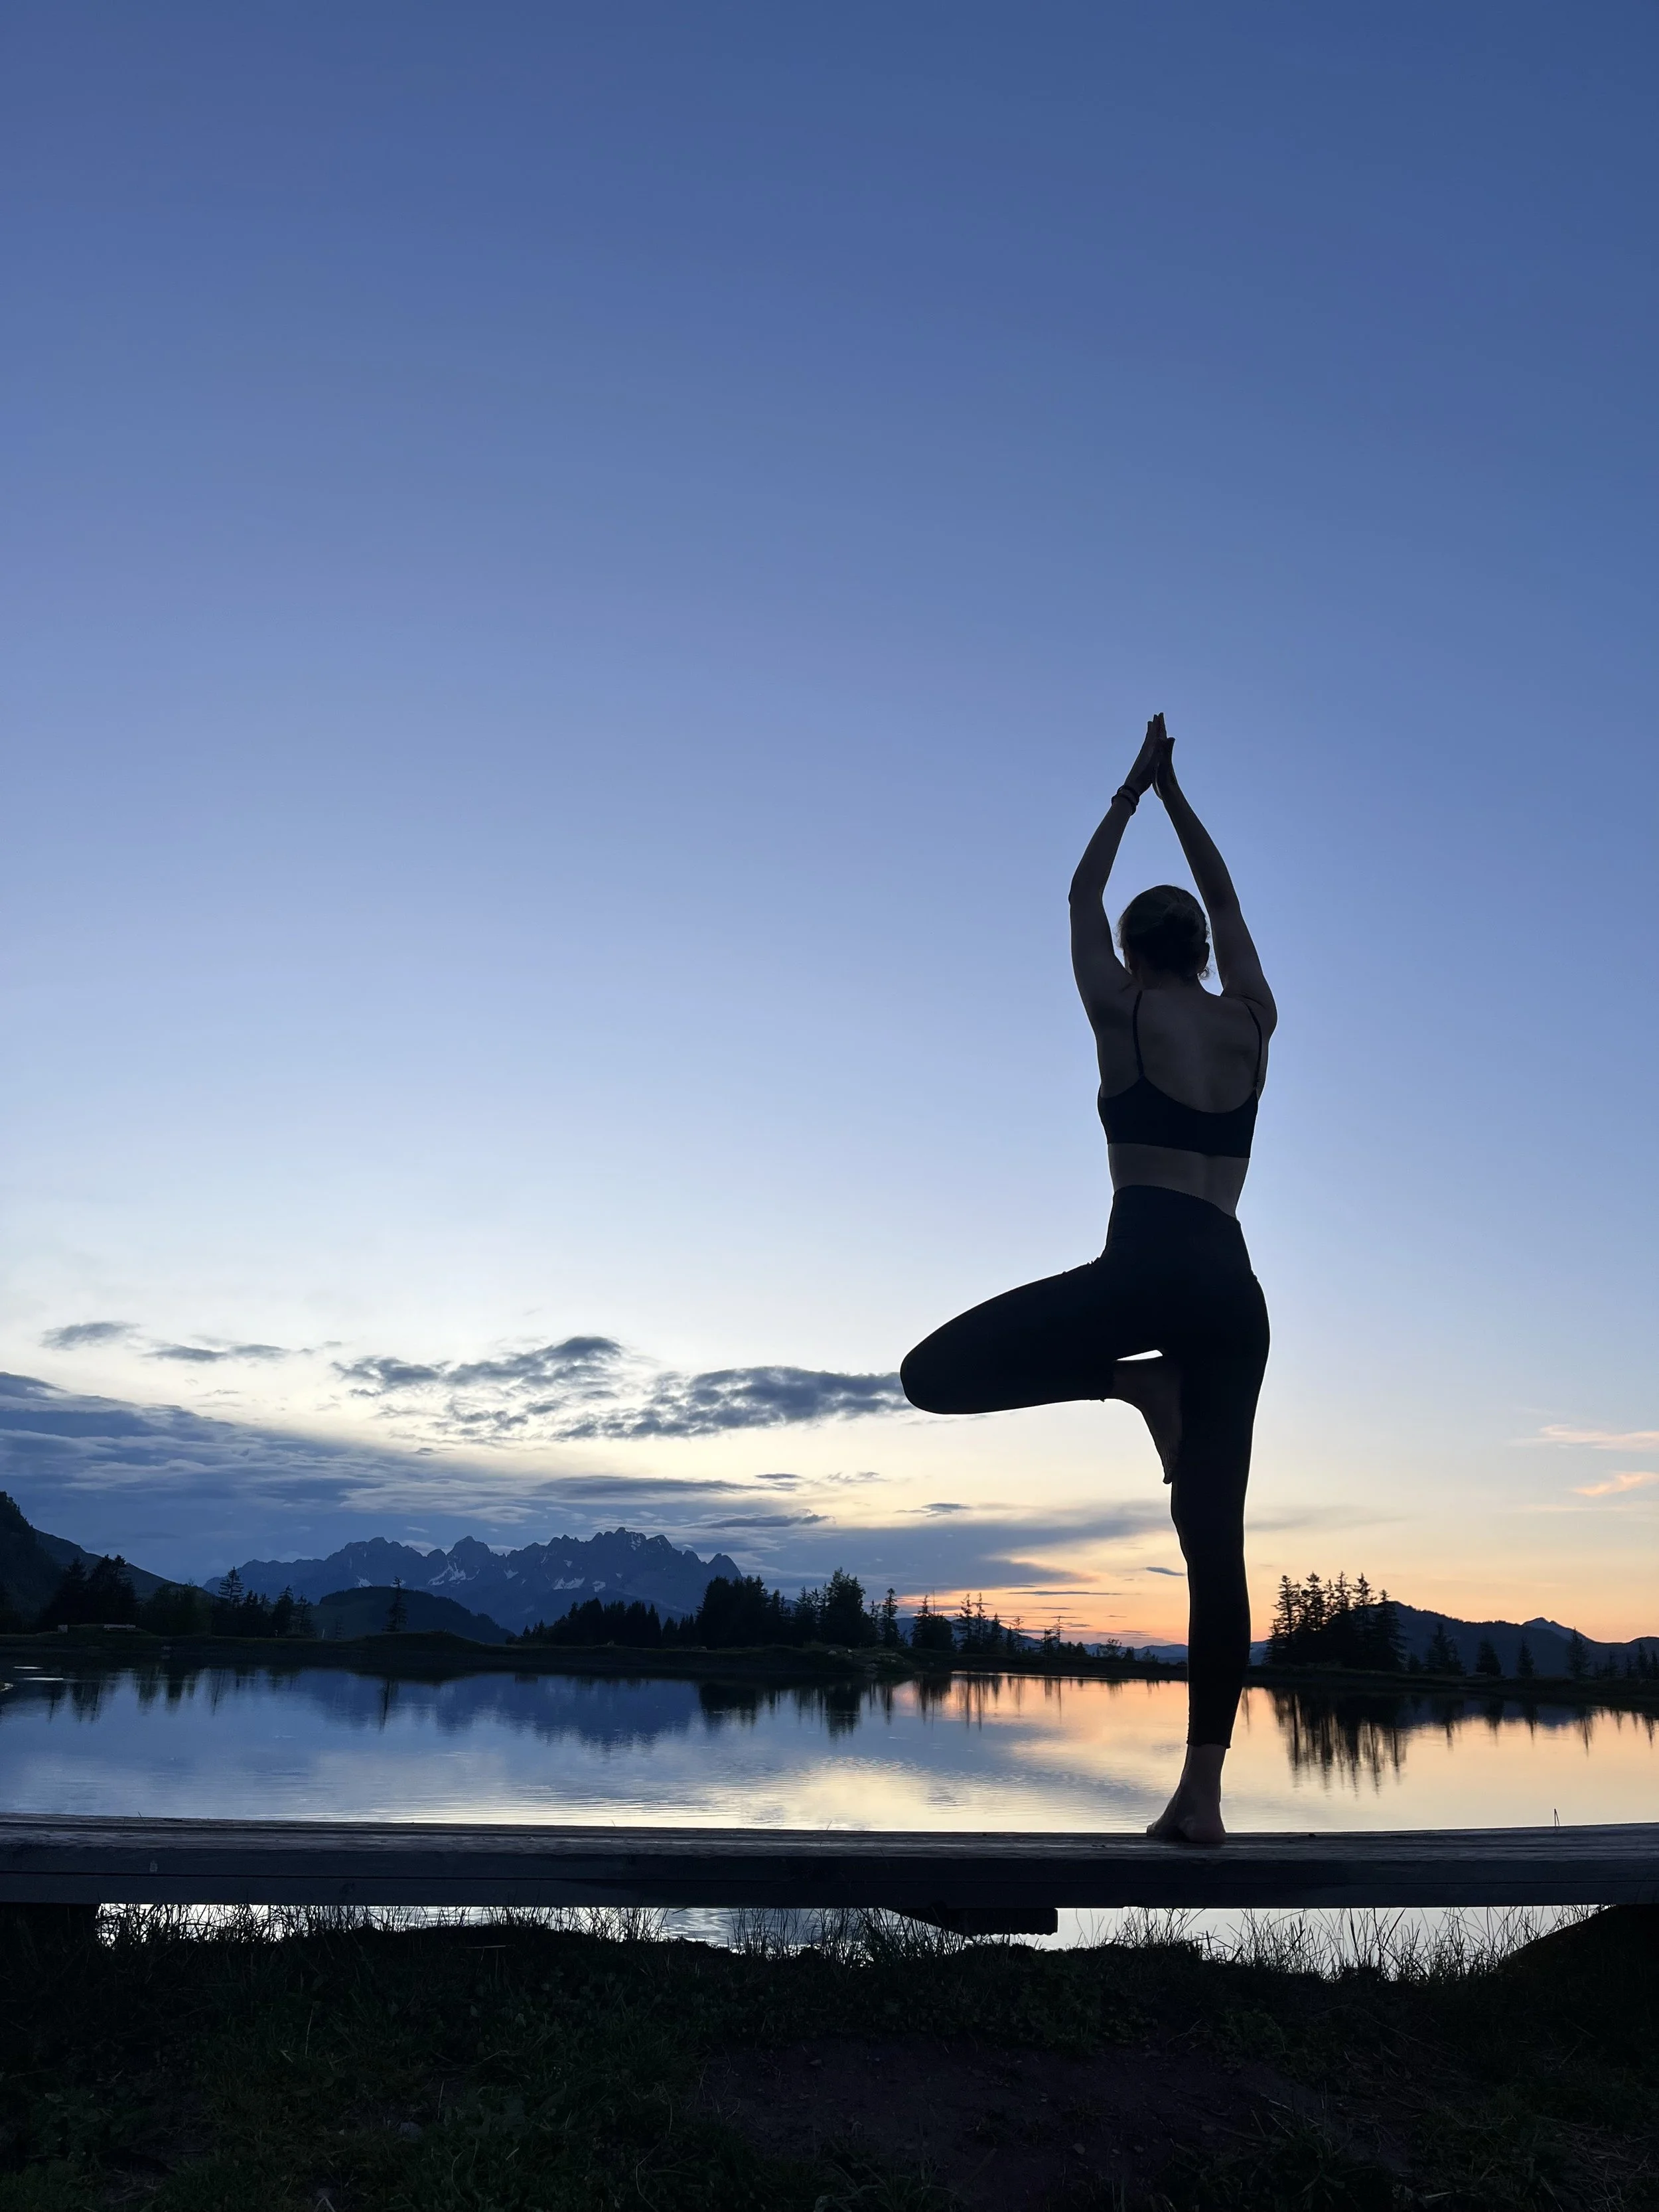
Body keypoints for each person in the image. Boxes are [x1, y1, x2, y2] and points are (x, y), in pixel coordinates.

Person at [900, 715, 1274, 1844]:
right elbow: (1237, 903)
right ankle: (1200, 1800)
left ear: (1137, 949)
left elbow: (1075, 906)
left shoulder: (1128, 1009)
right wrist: (1182, 803)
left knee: (934, 1375)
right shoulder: (1253, 1019)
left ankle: (1130, 1389)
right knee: (1216, 1541)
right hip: (1235, 1290)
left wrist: (1130, 791)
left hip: (1148, 1265)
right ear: (1202, 947)